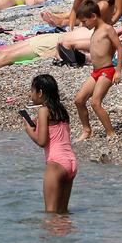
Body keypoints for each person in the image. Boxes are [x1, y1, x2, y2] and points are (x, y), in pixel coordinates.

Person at [22, 73, 76, 213]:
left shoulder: (43, 110)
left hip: (56, 163)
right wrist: (38, 125)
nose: (31, 94)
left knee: (51, 213)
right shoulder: (61, 110)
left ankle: (50, 235)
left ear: (40, 93)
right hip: (71, 162)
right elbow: (55, 132)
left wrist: (29, 130)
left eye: (32, 90)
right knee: (63, 213)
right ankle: (66, 234)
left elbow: (42, 141)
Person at [74, 0, 122, 139]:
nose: (83, 25)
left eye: (84, 21)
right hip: (96, 72)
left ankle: (111, 133)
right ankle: (87, 130)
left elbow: (119, 48)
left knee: (95, 102)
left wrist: (118, 70)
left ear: (94, 16)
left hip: (107, 70)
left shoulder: (107, 29)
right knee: (79, 100)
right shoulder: (95, 30)